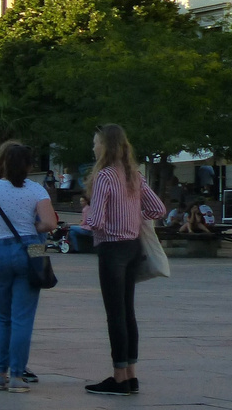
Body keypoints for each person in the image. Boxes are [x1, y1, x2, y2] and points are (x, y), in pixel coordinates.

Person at [79, 123, 166, 397]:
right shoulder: (133, 175)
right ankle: (131, 374)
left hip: (112, 249)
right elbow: (157, 208)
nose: (93, 147)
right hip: (132, 247)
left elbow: (97, 221)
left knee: (114, 314)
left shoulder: (104, 176)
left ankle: (118, 378)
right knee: (127, 312)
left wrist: (86, 210)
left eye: (96, 142)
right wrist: (132, 216)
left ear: (105, 145)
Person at [0, 141, 57, 393]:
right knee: (22, 318)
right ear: (29, 166)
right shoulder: (36, 190)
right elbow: (50, 223)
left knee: (2, 317)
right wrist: (31, 229)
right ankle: (18, 376)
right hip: (30, 248)